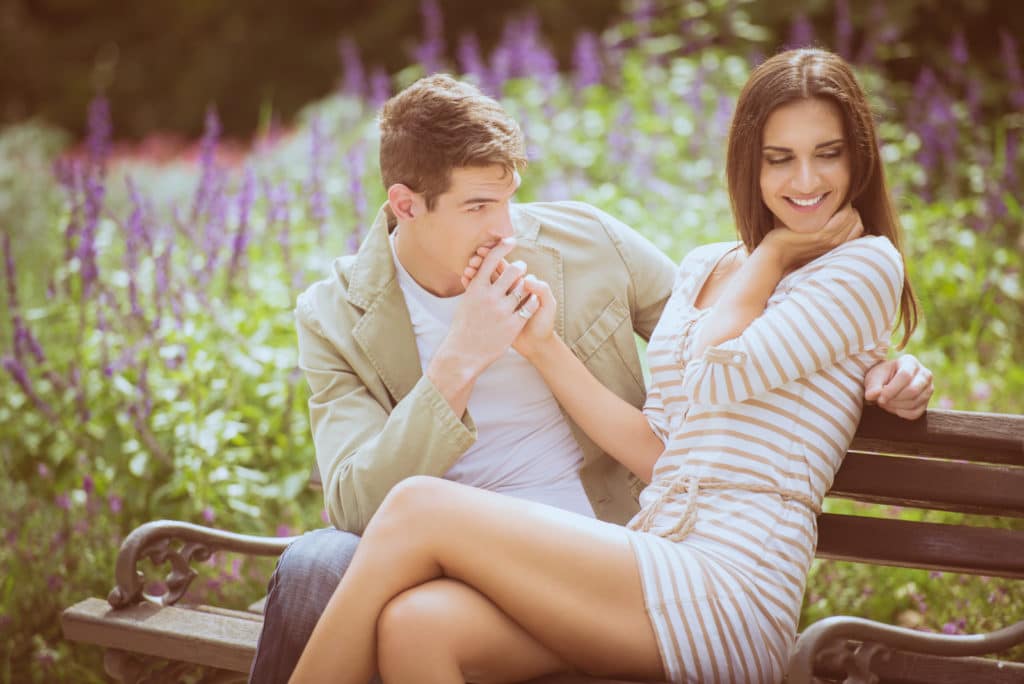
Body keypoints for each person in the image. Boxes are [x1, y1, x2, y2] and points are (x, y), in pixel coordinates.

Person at [250, 66, 933, 683]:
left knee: (416, 507)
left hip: (713, 580)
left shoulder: (602, 245)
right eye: (779, 158)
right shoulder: (702, 268)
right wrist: (490, 352)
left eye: (827, 155)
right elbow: (669, 437)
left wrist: (869, 344)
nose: (507, 230)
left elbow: (736, 363)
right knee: (412, 624)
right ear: (405, 205)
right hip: (647, 551)